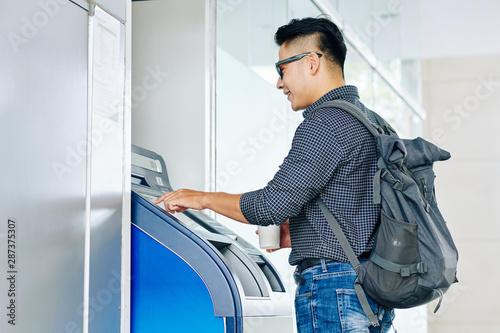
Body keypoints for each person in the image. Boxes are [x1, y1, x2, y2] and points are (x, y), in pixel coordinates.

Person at [155, 17, 394, 332]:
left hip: (334, 289)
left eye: (282, 69)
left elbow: (271, 205)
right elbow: (360, 207)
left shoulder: (326, 122)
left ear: (311, 63)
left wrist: (200, 198)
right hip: (371, 288)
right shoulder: (371, 121)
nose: (280, 83)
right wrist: (307, 231)